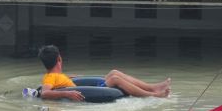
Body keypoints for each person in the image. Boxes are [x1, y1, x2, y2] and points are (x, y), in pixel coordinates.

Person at [38, 44, 170, 101]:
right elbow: (44, 93)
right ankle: (152, 95)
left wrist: (71, 78)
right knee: (115, 79)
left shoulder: (56, 76)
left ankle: (152, 87)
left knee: (114, 72)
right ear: (59, 58)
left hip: (87, 88)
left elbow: (61, 82)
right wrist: (68, 93)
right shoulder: (49, 78)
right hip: (86, 93)